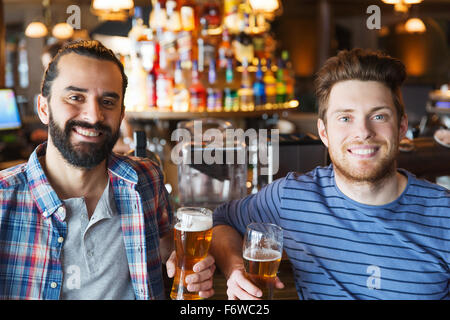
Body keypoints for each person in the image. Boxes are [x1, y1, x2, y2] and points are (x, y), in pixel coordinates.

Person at [210, 48, 449, 300]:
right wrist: (235, 269)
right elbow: (220, 222)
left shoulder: (444, 214)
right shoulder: (291, 198)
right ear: (324, 133)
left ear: (401, 127)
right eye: (345, 118)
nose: (363, 132)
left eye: (378, 116)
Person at [0, 40, 215, 300]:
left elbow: (165, 245)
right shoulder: (4, 199)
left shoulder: (146, 178)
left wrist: (189, 263)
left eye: (108, 101)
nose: (93, 116)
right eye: (75, 97)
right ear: (44, 108)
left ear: (121, 114)